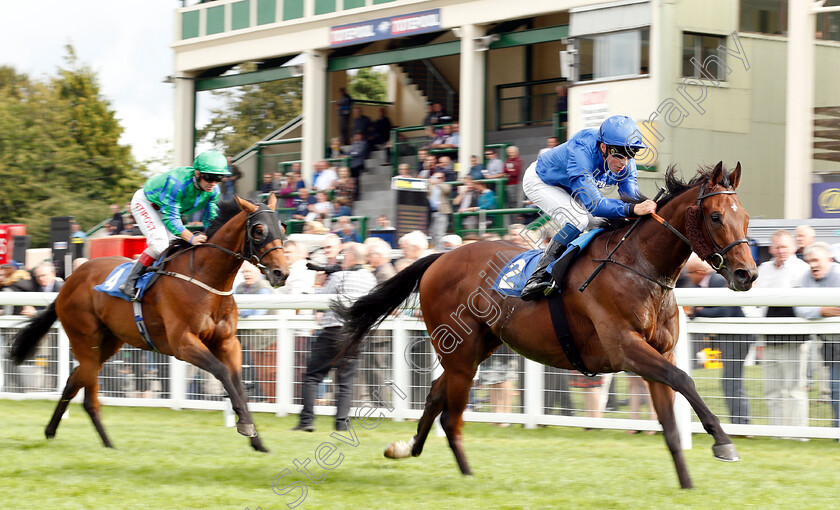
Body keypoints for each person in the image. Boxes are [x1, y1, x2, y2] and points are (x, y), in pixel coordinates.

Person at [519, 115, 656, 301]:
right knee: (578, 219)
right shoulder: (582, 149)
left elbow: (630, 198)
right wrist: (632, 209)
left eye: (630, 155)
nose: (624, 162)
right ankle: (538, 276)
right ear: (603, 147)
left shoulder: (625, 162)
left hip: (571, 189)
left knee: (602, 223)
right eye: (619, 155)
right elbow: (595, 204)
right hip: (542, 181)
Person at [119, 150, 231, 300]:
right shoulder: (177, 183)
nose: (213, 184)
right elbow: (171, 218)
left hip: (166, 210)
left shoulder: (213, 191)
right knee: (160, 243)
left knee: (174, 246)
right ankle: (129, 282)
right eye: (210, 178)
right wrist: (191, 238)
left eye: (218, 178)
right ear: (197, 173)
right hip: (146, 203)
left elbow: (211, 218)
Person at [293, 243, 377, 432]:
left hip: (333, 332)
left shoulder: (339, 276)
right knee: (346, 382)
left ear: (351, 258)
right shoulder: (370, 278)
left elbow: (322, 299)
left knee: (313, 376)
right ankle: (341, 424)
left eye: (345, 256)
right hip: (355, 335)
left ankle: (306, 420)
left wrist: (318, 283)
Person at [682, 254, 752, 425]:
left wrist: (697, 312)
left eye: (690, 274)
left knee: (731, 380)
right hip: (730, 338)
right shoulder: (703, 286)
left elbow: (724, 311)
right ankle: (740, 421)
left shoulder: (718, 281)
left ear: (699, 272)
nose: (689, 278)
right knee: (730, 380)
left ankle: (741, 423)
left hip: (737, 337)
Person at [756, 230, 811, 433]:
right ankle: (776, 432)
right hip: (768, 336)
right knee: (772, 389)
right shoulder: (764, 268)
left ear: (794, 248)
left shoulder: (802, 269)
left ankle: (799, 433)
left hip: (793, 338)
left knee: (794, 388)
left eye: (785, 247)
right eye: (777, 247)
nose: (781, 251)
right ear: (771, 249)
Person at [793, 242, 840, 429]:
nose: (812, 265)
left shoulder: (838, 275)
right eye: (809, 261)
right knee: (836, 389)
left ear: (828, 260)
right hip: (831, 345)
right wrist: (822, 310)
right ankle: (838, 431)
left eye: (816, 260)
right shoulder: (806, 277)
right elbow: (800, 309)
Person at [427, 172, 452, 249]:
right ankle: (434, 249)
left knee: (440, 233)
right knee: (432, 233)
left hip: (441, 212)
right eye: (435, 177)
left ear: (443, 179)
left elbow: (446, 190)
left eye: (439, 178)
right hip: (430, 213)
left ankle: (440, 250)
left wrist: (437, 183)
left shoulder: (445, 185)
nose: (436, 179)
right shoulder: (430, 186)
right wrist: (429, 183)